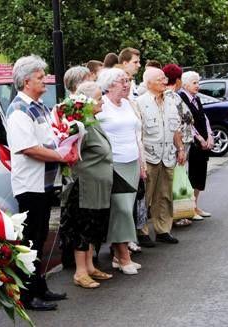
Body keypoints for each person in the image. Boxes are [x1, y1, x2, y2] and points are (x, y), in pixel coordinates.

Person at [6, 55, 69, 311]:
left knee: (41, 236)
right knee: (31, 241)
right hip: (30, 186)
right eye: (40, 77)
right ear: (26, 80)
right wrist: (62, 156)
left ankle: (40, 286)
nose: (45, 80)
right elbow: (29, 148)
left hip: (44, 183)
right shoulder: (19, 110)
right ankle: (28, 295)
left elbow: (49, 138)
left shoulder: (39, 106)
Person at [58, 81, 114, 288]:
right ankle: (80, 272)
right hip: (86, 186)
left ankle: (89, 266)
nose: (103, 102)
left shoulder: (93, 121)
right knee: (83, 227)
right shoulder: (79, 125)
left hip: (98, 185)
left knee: (93, 227)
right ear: (87, 101)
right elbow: (69, 153)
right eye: (99, 98)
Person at [96, 68, 142, 275]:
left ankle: (117, 254)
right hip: (113, 165)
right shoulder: (101, 105)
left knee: (125, 210)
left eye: (127, 80)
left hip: (132, 162)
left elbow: (136, 135)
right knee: (121, 210)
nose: (127, 84)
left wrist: (143, 163)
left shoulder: (127, 104)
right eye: (121, 81)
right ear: (109, 84)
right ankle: (124, 257)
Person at [135, 68, 186, 244]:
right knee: (145, 196)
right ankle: (141, 231)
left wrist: (180, 148)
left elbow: (175, 128)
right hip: (149, 155)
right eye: (160, 79)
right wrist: (140, 159)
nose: (165, 81)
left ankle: (163, 229)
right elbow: (138, 133)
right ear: (148, 83)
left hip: (168, 155)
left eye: (164, 78)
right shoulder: (140, 103)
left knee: (164, 195)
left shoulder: (171, 101)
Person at [179, 71, 214, 220]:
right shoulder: (181, 98)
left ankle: (195, 206)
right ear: (185, 84)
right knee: (191, 175)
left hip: (203, 142)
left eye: (198, 82)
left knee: (200, 175)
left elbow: (203, 118)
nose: (197, 85)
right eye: (194, 83)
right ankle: (189, 209)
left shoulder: (196, 99)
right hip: (192, 143)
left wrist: (210, 135)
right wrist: (199, 138)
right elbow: (186, 122)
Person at [163, 64, 194, 227]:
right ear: (178, 79)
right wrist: (181, 147)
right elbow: (180, 121)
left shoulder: (169, 95)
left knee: (176, 178)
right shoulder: (172, 96)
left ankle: (178, 213)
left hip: (177, 142)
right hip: (178, 143)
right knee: (177, 179)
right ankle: (178, 214)